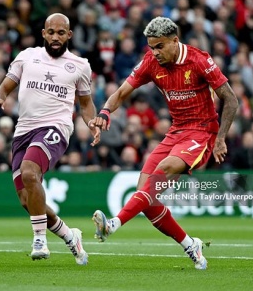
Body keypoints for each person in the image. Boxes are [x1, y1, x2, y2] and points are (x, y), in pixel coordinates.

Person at [90, 17, 238, 270]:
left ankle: (113, 224)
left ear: (174, 41)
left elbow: (231, 99)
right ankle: (191, 245)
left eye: (159, 47)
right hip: (175, 132)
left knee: (165, 169)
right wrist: (105, 111)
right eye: (151, 47)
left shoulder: (199, 60)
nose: (154, 53)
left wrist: (221, 138)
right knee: (146, 198)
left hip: (201, 133)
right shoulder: (150, 62)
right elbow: (123, 91)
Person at [0, 13, 100, 265]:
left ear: (69, 35)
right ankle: (70, 235)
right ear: (43, 34)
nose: (56, 37)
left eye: (61, 33)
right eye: (51, 32)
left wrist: (91, 123)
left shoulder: (80, 65)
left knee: (29, 173)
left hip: (55, 127)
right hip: (23, 130)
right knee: (28, 201)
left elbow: (85, 103)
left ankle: (39, 240)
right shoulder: (27, 56)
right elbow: (4, 87)